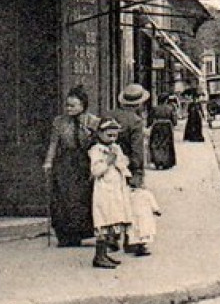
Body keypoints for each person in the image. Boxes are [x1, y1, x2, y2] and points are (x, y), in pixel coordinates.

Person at [43, 86, 98, 247]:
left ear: (83, 106)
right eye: (67, 105)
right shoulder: (59, 122)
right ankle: (66, 235)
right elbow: (54, 143)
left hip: (85, 162)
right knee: (63, 199)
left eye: (73, 105)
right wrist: (48, 161)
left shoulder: (92, 121)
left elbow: (98, 142)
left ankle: (83, 232)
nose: (69, 108)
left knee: (83, 199)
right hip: (65, 163)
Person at [88, 118, 134, 270]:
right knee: (103, 219)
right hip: (104, 190)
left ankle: (105, 254)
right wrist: (107, 162)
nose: (112, 139)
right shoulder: (96, 150)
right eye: (109, 135)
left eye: (115, 136)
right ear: (100, 134)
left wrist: (121, 161)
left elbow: (123, 164)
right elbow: (95, 171)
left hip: (116, 189)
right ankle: (99, 255)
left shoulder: (116, 148)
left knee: (112, 218)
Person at [107, 84, 150, 195]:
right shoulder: (136, 121)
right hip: (126, 167)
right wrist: (138, 175)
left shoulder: (109, 114)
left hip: (106, 164)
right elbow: (137, 151)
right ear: (139, 104)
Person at [148, 91, 178, 171]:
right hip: (167, 126)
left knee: (156, 144)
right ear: (166, 100)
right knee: (166, 144)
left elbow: (150, 119)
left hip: (157, 126)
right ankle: (165, 162)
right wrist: (174, 124)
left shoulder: (155, 108)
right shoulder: (170, 108)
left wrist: (149, 125)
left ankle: (158, 161)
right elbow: (174, 120)